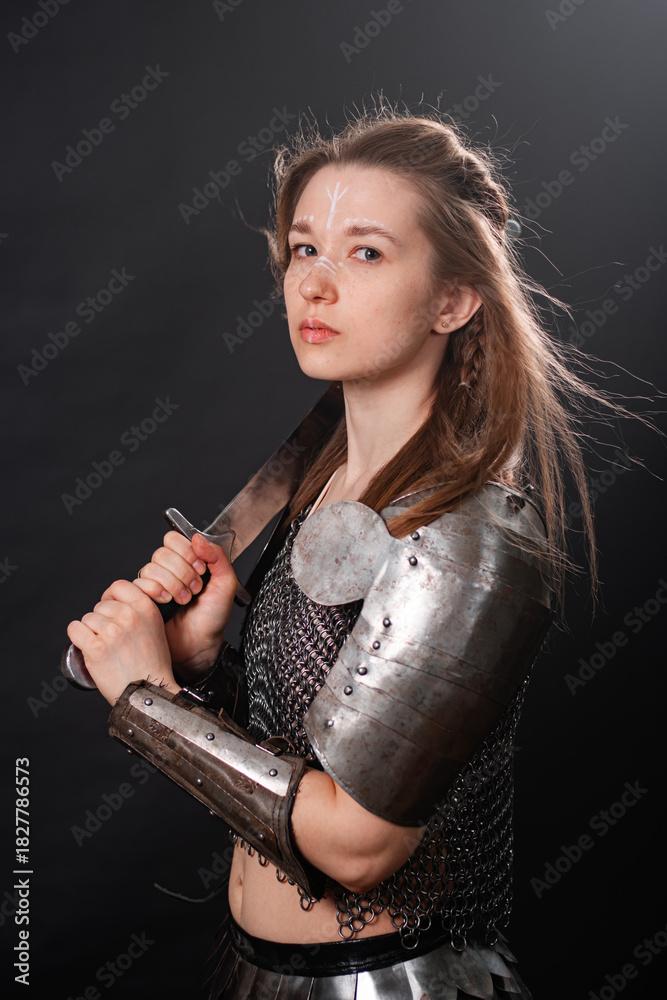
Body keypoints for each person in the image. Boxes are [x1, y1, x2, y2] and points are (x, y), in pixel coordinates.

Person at [66, 105, 597, 999]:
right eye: (303, 248)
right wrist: (197, 666)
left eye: (365, 252)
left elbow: (357, 842)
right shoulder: (319, 477)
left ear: (453, 300)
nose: (313, 285)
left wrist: (146, 699)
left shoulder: (471, 539)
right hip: (254, 973)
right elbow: (312, 745)